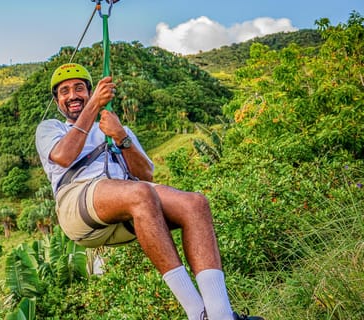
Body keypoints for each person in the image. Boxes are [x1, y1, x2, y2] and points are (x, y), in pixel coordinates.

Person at [34, 63, 261, 320]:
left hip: (130, 204)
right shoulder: (51, 129)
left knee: (195, 204)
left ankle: (221, 314)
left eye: (79, 89)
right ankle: (197, 313)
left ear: (88, 91)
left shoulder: (114, 127)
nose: (72, 95)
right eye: (64, 91)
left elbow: (146, 175)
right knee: (140, 193)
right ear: (57, 101)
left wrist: (121, 136)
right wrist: (93, 106)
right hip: (77, 201)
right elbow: (63, 156)